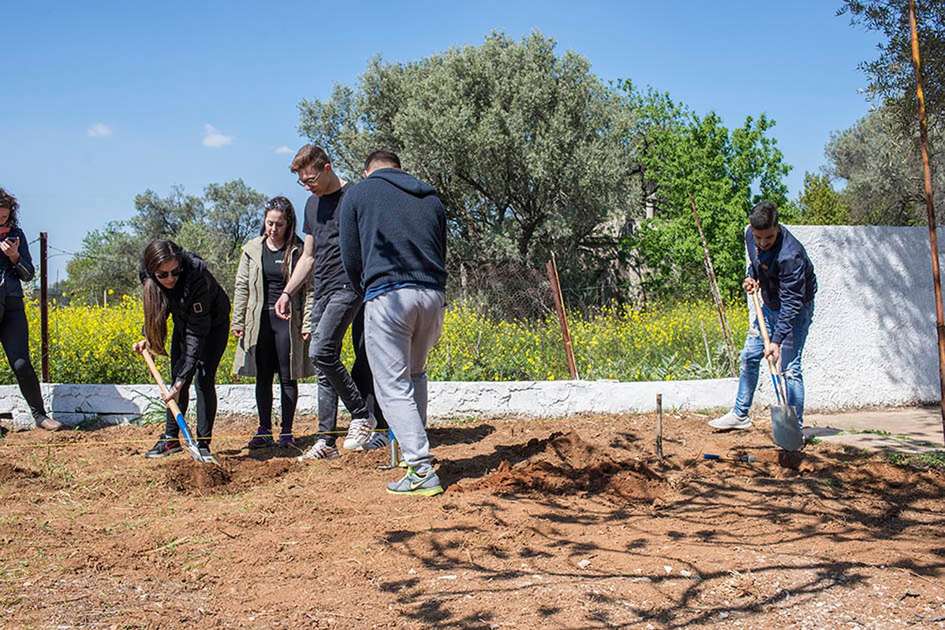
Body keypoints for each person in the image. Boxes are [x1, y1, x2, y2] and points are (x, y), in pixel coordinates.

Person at [339, 150, 447, 496]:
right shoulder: (430, 196)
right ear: (399, 168)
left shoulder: (358, 193)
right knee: (415, 374)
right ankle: (412, 454)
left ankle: (419, 467)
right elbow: (440, 248)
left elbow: (350, 254)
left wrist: (365, 289)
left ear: (367, 169)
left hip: (388, 296)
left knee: (392, 384)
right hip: (432, 295)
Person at [275, 145, 384, 460]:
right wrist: (287, 292)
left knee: (320, 351)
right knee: (324, 364)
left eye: (310, 178)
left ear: (327, 167)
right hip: (321, 290)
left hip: (350, 286)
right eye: (301, 181)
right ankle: (326, 442)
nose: (307, 185)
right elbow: (308, 256)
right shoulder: (311, 205)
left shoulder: (354, 197)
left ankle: (362, 415)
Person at [709, 200, 817, 432]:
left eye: (768, 238)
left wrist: (776, 341)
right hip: (768, 305)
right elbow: (756, 264)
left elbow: (792, 302)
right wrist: (752, 277)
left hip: (795, 310)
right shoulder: (751, 234)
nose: (762, 243)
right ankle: (740, 415)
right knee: (749, 356)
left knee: (790, 368)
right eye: (758, 238)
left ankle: (794, 429)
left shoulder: (791, 256)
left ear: (777, 227)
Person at [134, 240, 231, 460]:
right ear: (152, 271)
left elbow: (196, 335)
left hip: (212, 324)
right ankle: (170, 440)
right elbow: (159, 307)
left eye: (175, 272)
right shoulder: (147, 275)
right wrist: (148, 337)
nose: (170, 279)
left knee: (203, 378)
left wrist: (180, 380)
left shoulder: (197, 277)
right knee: (177, 379)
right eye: (163, 275)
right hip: (183, 320)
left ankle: (203, 445)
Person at [231, 197, 315, 450]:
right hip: (259, 320)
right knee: (263, 377)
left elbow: (310, 290)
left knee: (288, 377)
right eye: (269, 223)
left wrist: (307, 322)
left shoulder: (299, 251)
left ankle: (287, 431)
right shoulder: (252, 249)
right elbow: (242, 286)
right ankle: (264, 429)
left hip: (288, 321)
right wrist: (238, 319)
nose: (273, 229)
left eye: (279, 224)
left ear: (289, 224)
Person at [0, 188, 62, 431]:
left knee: (21, 363)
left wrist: (15, 257)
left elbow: (29, 275)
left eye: (5, 217)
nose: (2, 221)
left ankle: (40, 416)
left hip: (13, 305)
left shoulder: (17, 235)